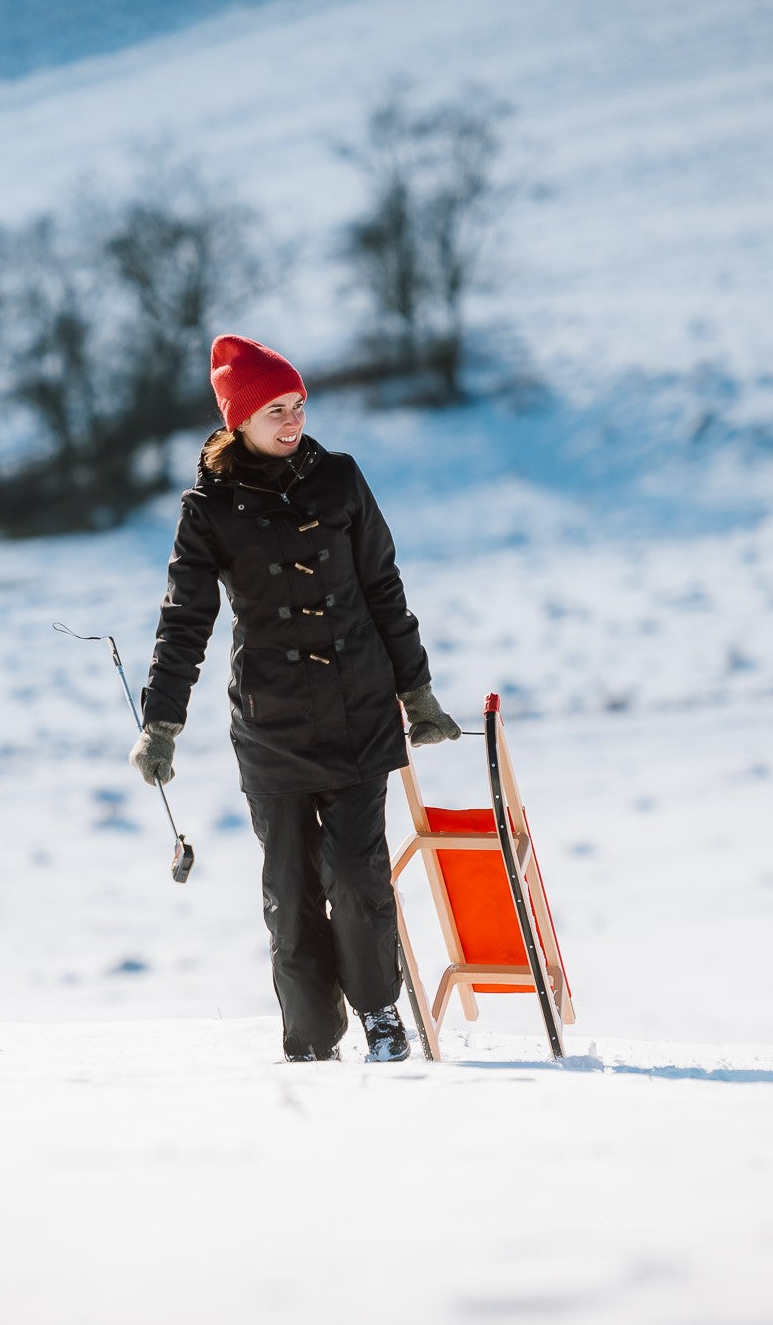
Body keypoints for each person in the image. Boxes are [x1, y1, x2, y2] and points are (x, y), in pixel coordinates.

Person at [130, 334, 460, 1062]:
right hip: (271, 722)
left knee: (354, 869)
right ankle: (310, 1040)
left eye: (299, 405)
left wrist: (418, 689)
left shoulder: (340, 479)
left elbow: (383, 587)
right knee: (289, 887)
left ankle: (379, 1013)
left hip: (357, 708)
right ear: (238, 419)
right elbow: (184, 620)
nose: (292, 420)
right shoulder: (207, 508)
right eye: (274, 408)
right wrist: (161, 724)